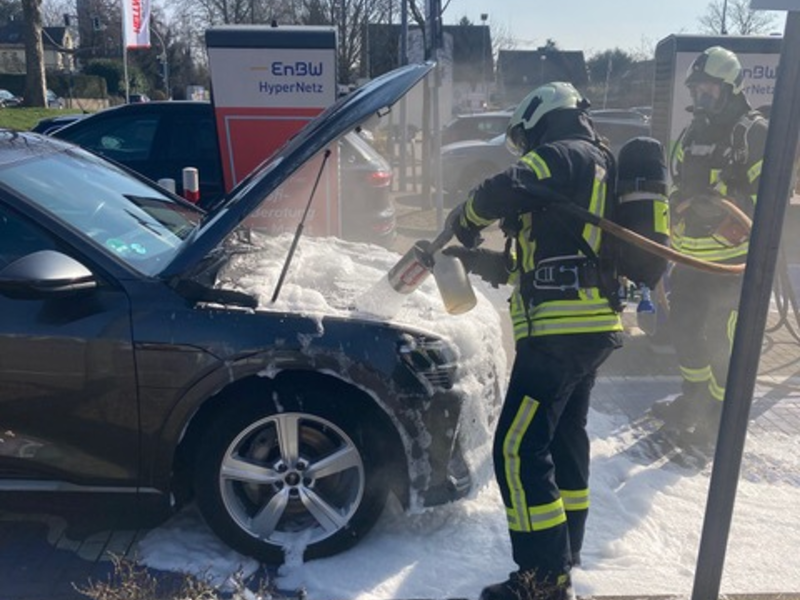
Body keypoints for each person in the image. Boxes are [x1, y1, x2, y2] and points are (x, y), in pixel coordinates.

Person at [444, 82, 623, 600]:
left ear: (541, 117)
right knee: (563, 438)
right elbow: (528, 266)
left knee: (516, 446)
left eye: (524, 138)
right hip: (585, 326)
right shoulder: (589, 164)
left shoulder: (564, 152)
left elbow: (504, 186)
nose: (524, 149)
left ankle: (543, 579)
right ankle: (564, 554)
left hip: (559, 333)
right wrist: (473, 259)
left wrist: (466, 217)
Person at [650, 46, 768, 447]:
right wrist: (678, 204)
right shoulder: (691, 133)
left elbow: (769, 197)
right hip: (690, 258)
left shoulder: (752, 134)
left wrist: (726, 203)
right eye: (696, 90)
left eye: (709, 90)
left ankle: (718, 417)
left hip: (732, 265)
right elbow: (677, 181)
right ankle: (693, 401)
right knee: (684, 330)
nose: (701, 97)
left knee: (723, 340)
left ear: (731, 88)